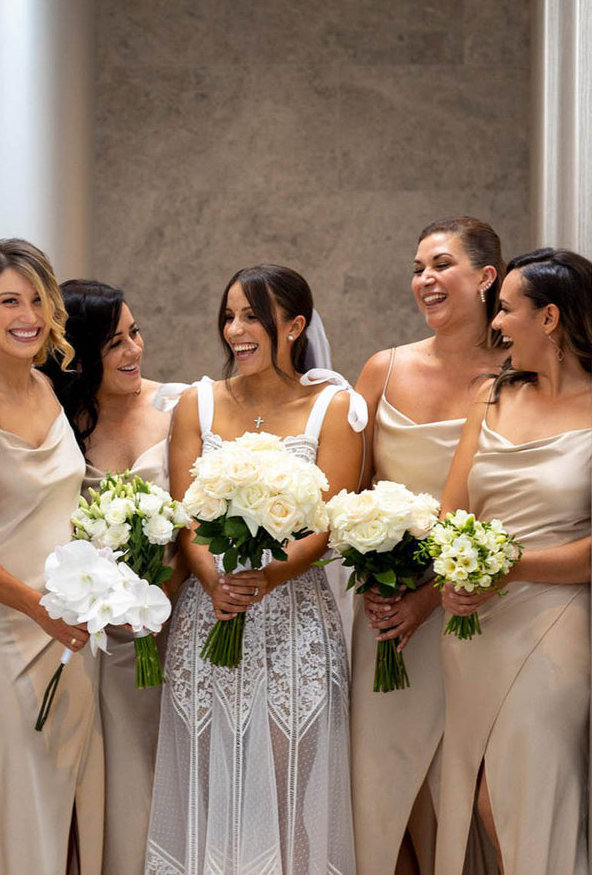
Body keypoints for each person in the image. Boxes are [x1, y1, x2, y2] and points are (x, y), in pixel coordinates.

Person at [145, 264, 364, 875]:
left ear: (294, 326)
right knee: (210, 783)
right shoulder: (197, 404)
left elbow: (330, 523)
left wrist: (266, 578)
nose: (236, 330)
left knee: (291, 787)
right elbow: (186, 516)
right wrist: (215, 580)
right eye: (229, 315)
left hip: (295, 619)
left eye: (252, 316)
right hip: (210, 612)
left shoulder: (334, 407)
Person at [0, 239, 103, 875]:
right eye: (8, 301)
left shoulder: (43, 386)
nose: (26, 315)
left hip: (67, 635)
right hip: (7, 638)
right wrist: (38, 608)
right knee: (10, 808)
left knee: (54, 812)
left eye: (37, 299)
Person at [349, 217, 508, 875]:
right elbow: (348, 490)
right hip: (386, 620)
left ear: (486, 276)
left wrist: (432, 596)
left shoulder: (517, 371)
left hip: (478, 608)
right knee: (383, 787)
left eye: (441, 264)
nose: (425, 280)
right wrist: (380, 573)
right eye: (418, 268)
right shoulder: (384, 369)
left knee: (466, 787)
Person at [432, 248, 592, 875]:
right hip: (475, 627)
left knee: (516, 803)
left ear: (549, 318)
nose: (495, 324)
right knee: (479, 803)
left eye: (506, 309)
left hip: (553, 622)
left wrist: (512, 568)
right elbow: (452, 511)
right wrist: (457, 574)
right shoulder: (492, 397)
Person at [43, 279, 187, 875]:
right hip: (101, 640)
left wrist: (159, 600)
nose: (133, 351)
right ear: (78, 352)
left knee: (172, 773)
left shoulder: (181, 407)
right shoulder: (61, 423)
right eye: (113, 343)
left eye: (135, 333)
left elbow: (198, 524)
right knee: (115, 778)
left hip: (174, 628)